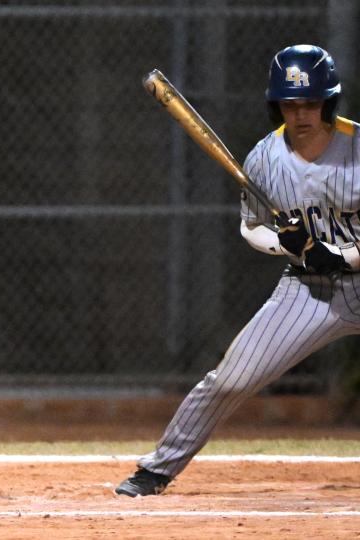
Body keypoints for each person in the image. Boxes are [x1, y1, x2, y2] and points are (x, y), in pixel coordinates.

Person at [116, 44, 360, 496]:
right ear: (276, 105)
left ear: (329, 102)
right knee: (232, 377)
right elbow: (252, 228)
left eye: (311, 102)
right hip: (310, 290)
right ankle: (156, 470)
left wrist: (343, 256)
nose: (302, 113)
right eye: (291, 103)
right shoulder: (264, 159)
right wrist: (285, 247)